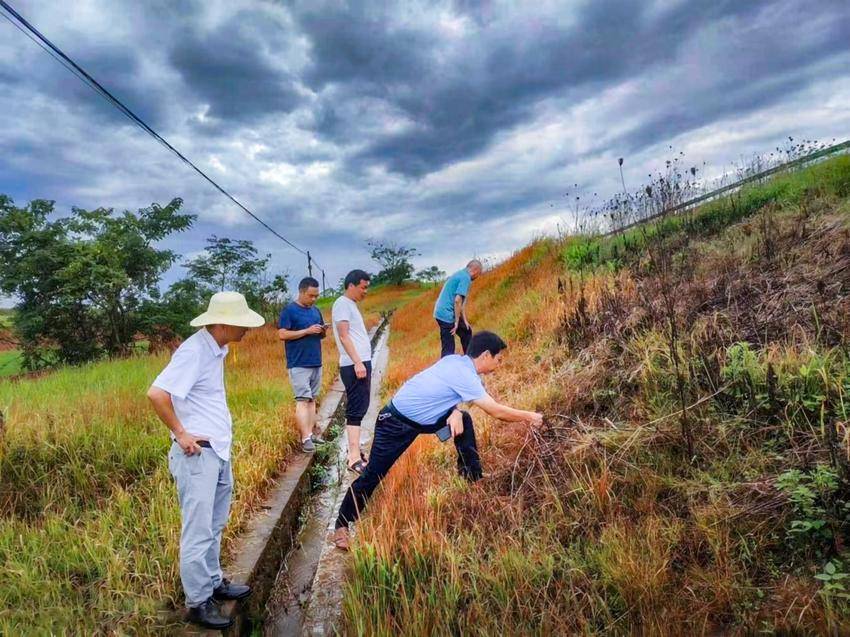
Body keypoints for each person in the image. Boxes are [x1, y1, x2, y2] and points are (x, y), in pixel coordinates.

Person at [331, 330, 543, 550]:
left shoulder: (456, 362)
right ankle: (342, 525)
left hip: (423, 420)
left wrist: (455, 411)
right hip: (394, 423)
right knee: (373, 475)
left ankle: (472, 477)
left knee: (464, 420)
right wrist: (530, 417)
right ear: (486, 355)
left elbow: (445, 390)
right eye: (499, 360)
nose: (500, 365)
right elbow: (496, 411)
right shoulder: (466, 374)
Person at [146, 291, 264, 630]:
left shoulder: (218, 349)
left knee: (214, 525)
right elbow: (157, 393)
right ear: (224, 324)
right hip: (198, 457)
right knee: (197, 531)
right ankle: (197, 602)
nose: (247, 330)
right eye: (242, 324)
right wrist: (181, 433)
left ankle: (213, 582)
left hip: (217, 452)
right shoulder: (195, 351)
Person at [278, 276, 329, 452]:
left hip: (316, 360)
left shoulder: (316, 311)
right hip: (299, 363)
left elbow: (320, 335)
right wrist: (307, 331)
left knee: (312, 399)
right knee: (303, 400)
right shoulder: (289, 311)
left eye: (316, 296)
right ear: (301, 292)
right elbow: (282, 334)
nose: (314, 299)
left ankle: (311, 435)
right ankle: (305, 438)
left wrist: (322, 331)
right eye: (310, 295)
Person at [331, 269, 373, 474]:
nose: (365, 291)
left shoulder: (350, 305)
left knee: (361, 406)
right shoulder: (341, 304)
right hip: (354, 364)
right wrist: (358, 362)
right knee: (356, 409)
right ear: (351, 285)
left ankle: (355, 451)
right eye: (363, 287)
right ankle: (353, 457)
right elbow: (344, 336)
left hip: (360, 362)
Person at [434, 259, 483, 357]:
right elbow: (457, 301)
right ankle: (445, 369)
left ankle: (470, 359)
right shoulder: (465, 278)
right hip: (445, 315)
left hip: (444, 311)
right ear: (476, 270)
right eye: (479, 273)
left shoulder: (461, 274)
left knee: (466, 330)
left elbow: (461, 304)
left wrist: (464, 320)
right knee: (448, 348)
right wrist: (456, 322)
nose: (478, 276)